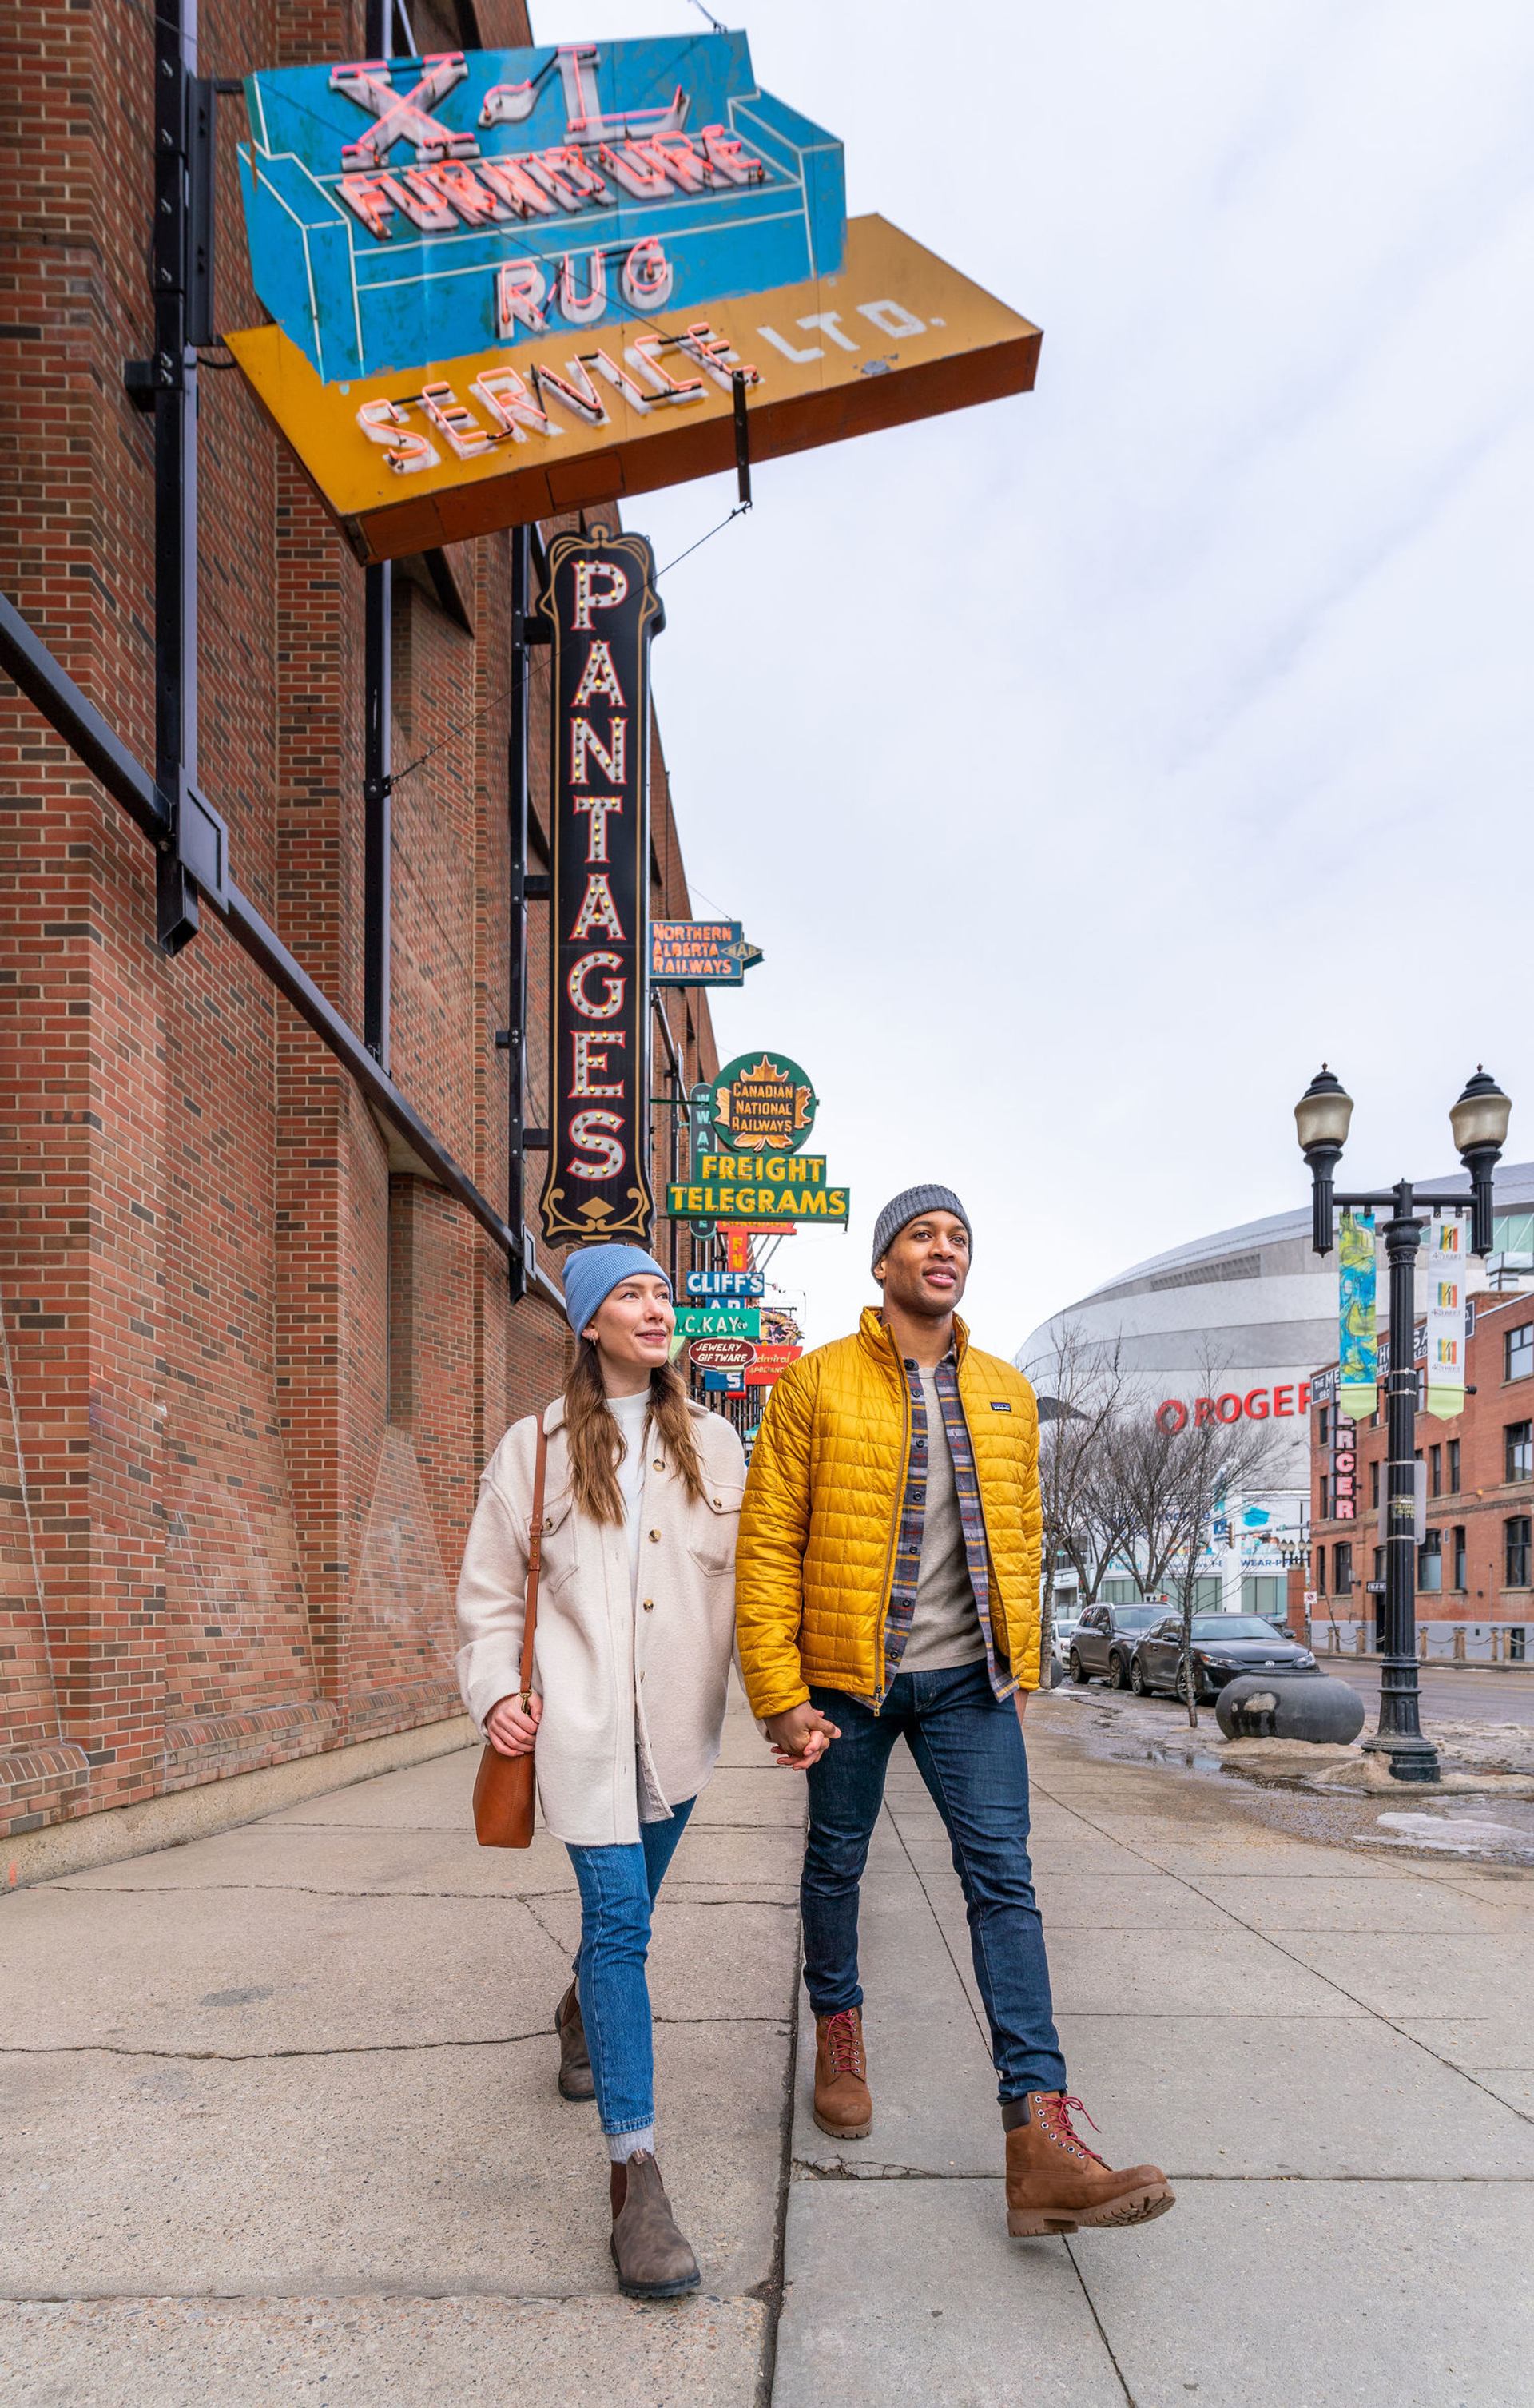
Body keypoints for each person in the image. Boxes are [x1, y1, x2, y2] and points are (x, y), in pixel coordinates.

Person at [735, 1186, 1174, 2237]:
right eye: (924, 1234)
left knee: (1003, 1882)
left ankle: (1040, 2136)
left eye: (959, 1237)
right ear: (883, 1264)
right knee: (836, 1860)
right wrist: (779, 1694)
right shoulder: (815, 1384)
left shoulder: (1007, 1391)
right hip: (847, 1677)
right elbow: (766, 1543)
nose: (946, 1248)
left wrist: (1024, 1662)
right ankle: (839, 2034)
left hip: (971, 1681)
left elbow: (1020, 1536)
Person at [456, 1243, 745, 2297]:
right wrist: (495, 1690)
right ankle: (636, 2176)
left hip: (679, 1734)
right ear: (587, 1321)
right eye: (631, 1293)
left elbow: (750, 1591)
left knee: (626, 1921)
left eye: (663, 1291)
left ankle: (580, 2009)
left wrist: (793, 1700)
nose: (655, 1306)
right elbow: (489, 1593)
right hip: (579, 1733)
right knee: (620, 1924)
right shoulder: (530, 1449)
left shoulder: (716, 1445)